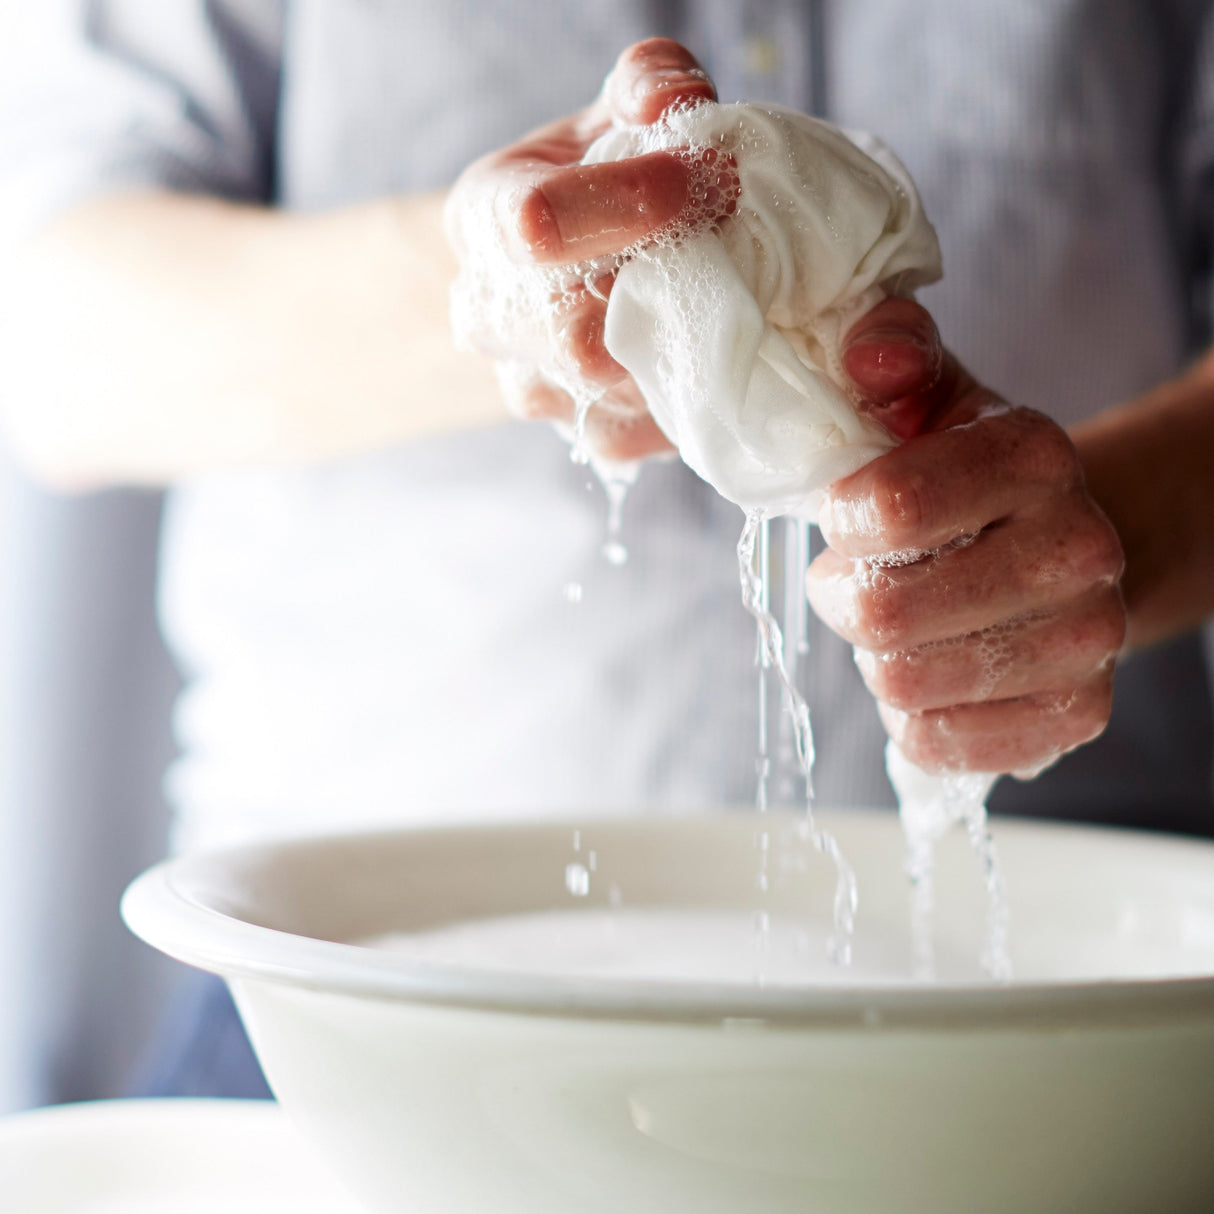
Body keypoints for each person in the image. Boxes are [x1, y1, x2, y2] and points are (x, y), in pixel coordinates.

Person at [1, 4, 1211, 1098]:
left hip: (1083, 979)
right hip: (342, 991)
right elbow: (57, 336)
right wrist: (491, 286)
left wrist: (1093, 540)